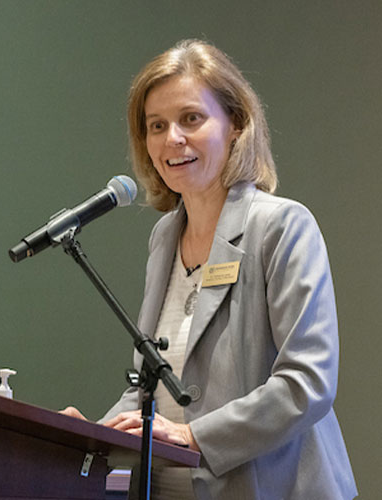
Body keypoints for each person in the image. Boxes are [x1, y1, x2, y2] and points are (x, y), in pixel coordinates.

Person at [62, 39, 357, 499]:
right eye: (156, 125)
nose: (171, 139)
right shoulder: (164, 237)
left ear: (236, 124)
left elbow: (308, 382)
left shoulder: (281, 226)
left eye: (191, 119)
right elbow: (151, 386)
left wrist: (192, 435)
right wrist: (91, 436)